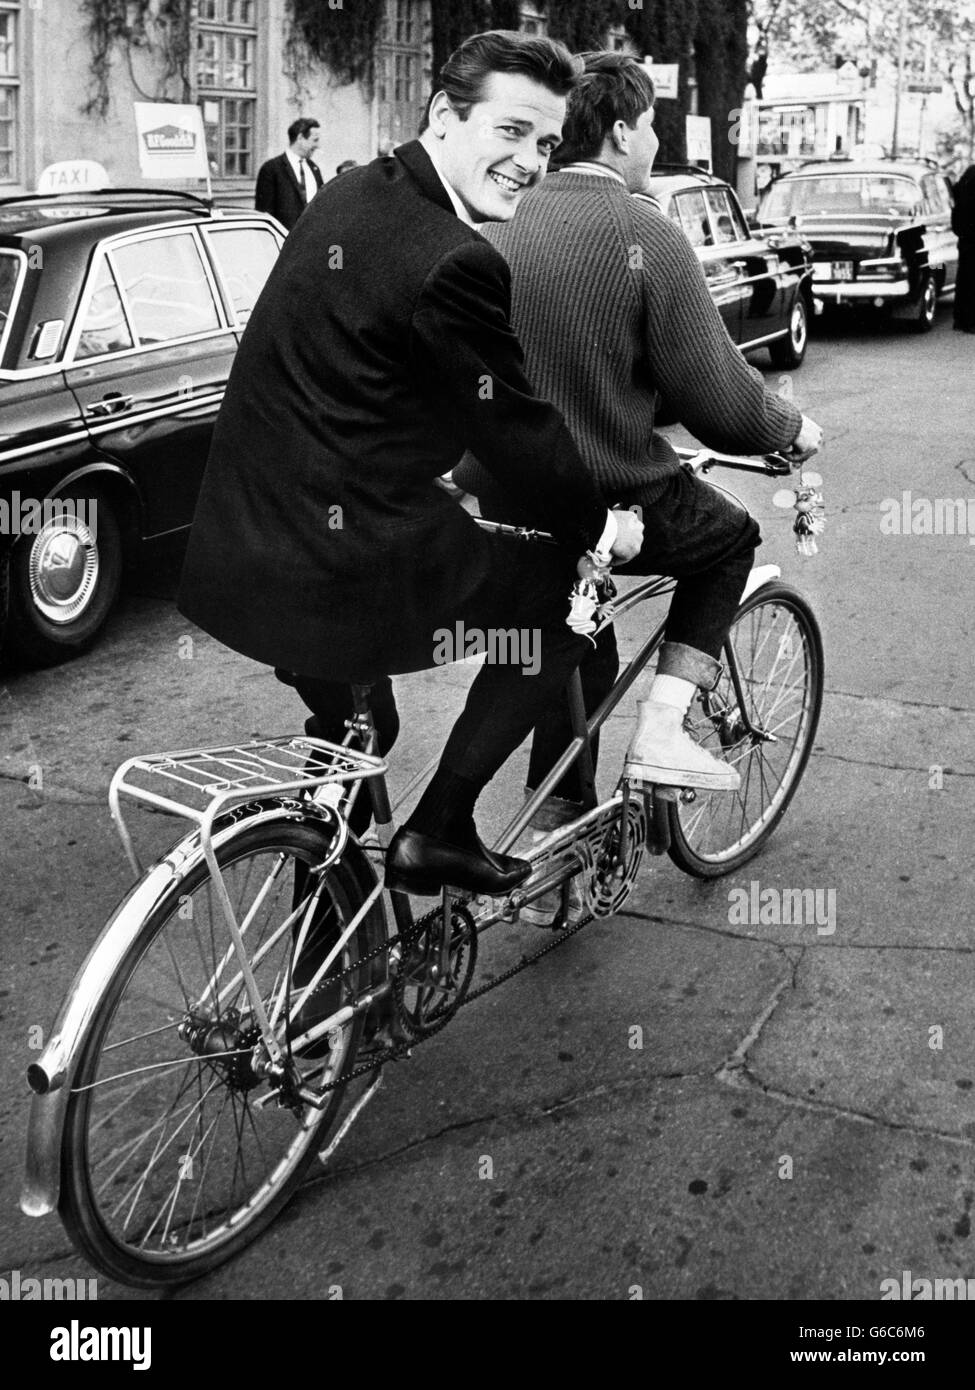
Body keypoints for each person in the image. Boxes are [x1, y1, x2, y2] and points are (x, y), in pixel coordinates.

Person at [178, 31, 643, 900]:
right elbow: (519, 432)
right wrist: (600, 522)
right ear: (443, 114)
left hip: (243, 547)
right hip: (342, 563)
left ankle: (326, 959)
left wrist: (430, 466)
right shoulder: (451, 257)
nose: (529, 162)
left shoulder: (350, 194)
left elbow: (357, 373)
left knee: (358, 739)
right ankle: (440, 831)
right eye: (510, 132)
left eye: (545, 143)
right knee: (558, 606)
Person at [454, 51, 822, 913]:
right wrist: (789, 431)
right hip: (603, 496)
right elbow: (716, 397)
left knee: (572, 634)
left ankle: (562, 822)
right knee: (728, 537)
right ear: (620, 131)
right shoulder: (642, 229)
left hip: (497, 500)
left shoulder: (498, 216)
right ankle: (662, 732)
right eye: (650, 124)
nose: (653, 140)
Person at [254, 117, 325, 231]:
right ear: (300, 138)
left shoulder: (314, 169)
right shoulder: (271, 169)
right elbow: (264, 215)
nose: (318, 146)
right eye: (315, 140)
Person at [951, 163, 975, 334]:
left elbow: (955, 199)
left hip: (965, 236)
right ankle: (970, 321)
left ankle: (960, 319)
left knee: (964, 278)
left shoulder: (968, 174)